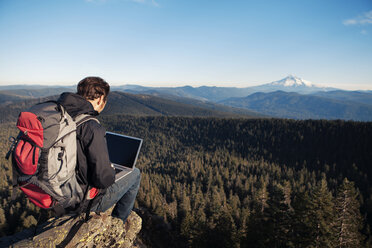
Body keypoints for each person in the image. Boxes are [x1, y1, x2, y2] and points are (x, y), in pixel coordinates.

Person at [57, 76, 141, 223]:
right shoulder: (91, 127)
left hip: (57, 194)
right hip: (82, 203)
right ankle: (118, 222)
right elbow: (103, 180)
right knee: (135, 173)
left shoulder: (61, 116)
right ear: (100, 99)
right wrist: (109, 169)